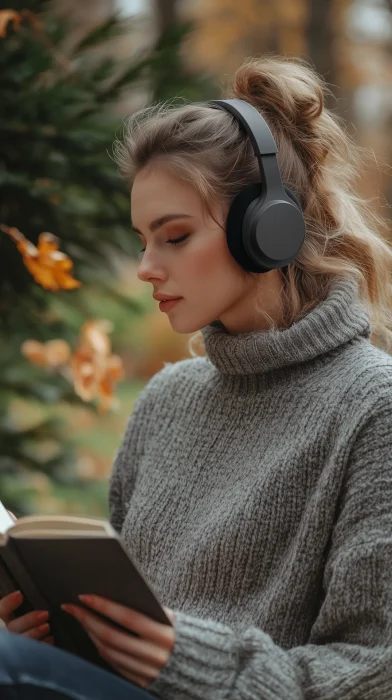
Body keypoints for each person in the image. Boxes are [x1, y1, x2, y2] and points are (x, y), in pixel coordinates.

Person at [1, 54, 392, 700]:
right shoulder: (166, 400)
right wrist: (42, 630)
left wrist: (195, 661)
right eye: (142, 239)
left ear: (267, 230)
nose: (146, 267)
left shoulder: (372, 406)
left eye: (174, 237)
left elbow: (374, 668)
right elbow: (117, 618)